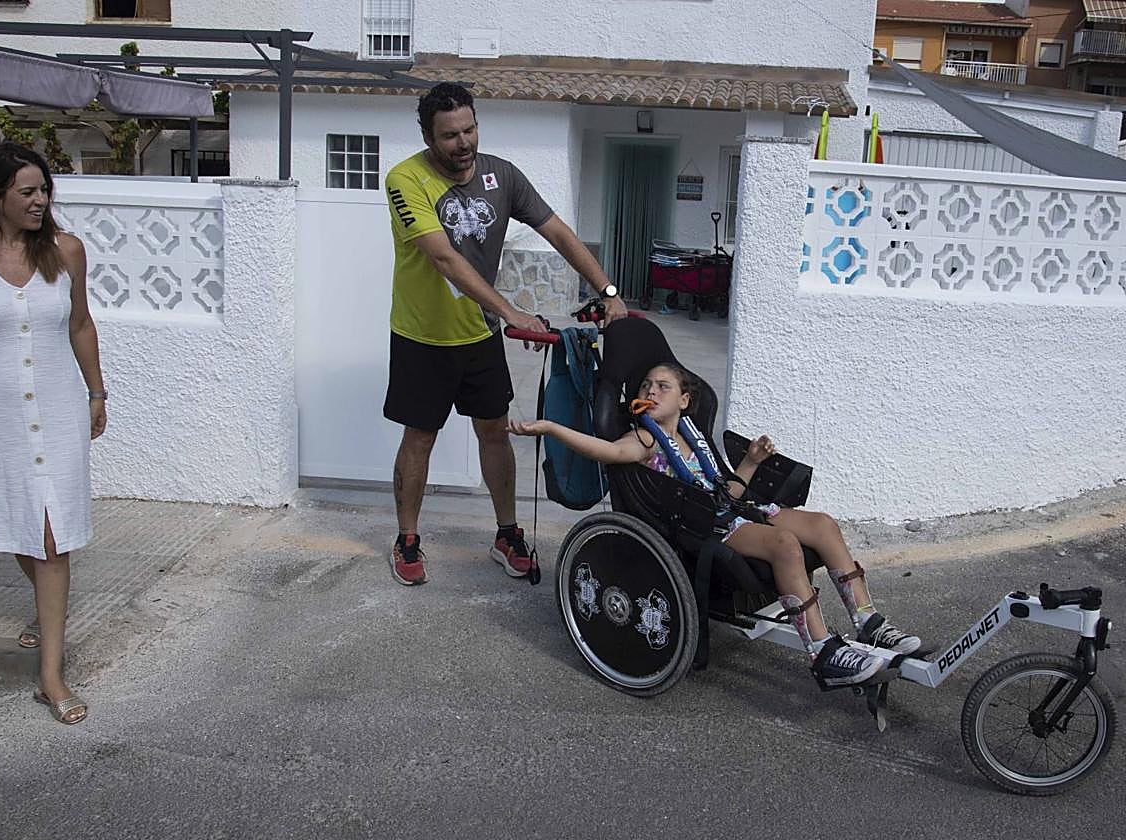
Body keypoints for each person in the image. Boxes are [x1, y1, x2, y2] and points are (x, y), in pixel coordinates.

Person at [508, 362, 923, 687]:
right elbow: (604, 450)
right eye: (646, 386)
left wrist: (752, 462)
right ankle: (822, 651)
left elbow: (729, 491)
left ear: (685, 400)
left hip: (730, 510)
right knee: (784, 544)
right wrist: (550, 428)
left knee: (823, 525)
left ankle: (868, 621)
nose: (651, 391)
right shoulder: (644, 441)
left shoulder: (696, 439)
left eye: (663, 386)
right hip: (703, 526)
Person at [382, 82, 627, 586]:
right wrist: (512, 312)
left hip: (479, 335)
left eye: (470, 129)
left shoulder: (502, 175)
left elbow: (556, 231)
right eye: (450, 135)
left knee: (494, 432)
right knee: (420, 437)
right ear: (428, 137)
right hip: (423, 337)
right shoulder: (405, 179)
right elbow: (444, 257)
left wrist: (606, 290)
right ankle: (407, 539)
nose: (464, 143)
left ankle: (506, 534)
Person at [0, 143, 107, 724]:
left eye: (44, 190)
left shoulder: (66, 250)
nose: (40, 201)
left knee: (52, 537)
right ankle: (49, 607)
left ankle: (50, 675)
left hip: (57, 409)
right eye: (27, 191)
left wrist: (97, 392)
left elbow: (80, 324)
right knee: (16, 525)